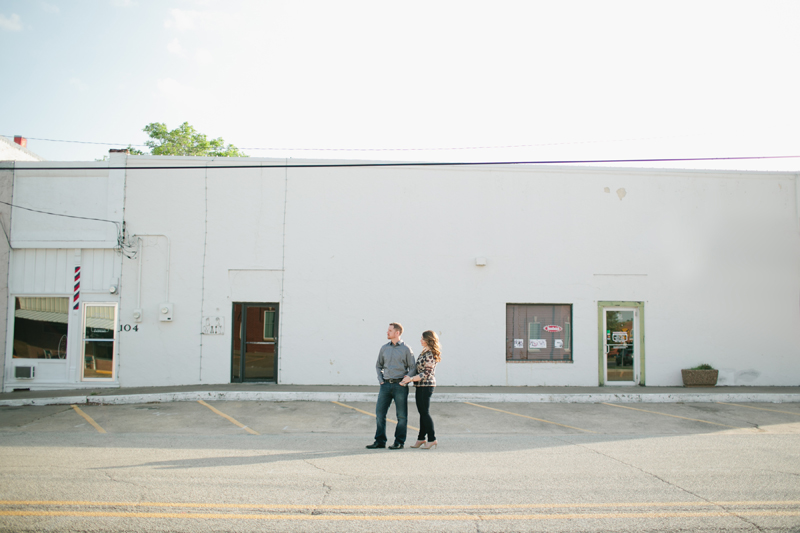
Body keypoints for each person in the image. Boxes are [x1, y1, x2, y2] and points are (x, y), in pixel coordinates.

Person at [366, 322, 416, 450]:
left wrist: (406, 380)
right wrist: (380, 379)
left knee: (401, 416)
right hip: (385, 385)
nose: (387, 332)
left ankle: (399, 442)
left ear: (397, 333)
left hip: (400, 386)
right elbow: (378, 365)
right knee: (380, 414)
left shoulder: (406, 349)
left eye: (390, 330)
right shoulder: (384, 348)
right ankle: (380, 441)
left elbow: (413, 367)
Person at [401, 330, 441, 449]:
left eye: (422, 339)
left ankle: (432, 438)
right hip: (421, 386)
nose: (420, 340)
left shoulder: (430, 354)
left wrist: (411, 379)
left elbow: (426, 373)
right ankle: (421, 438)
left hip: (426, 386)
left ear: (428, 340)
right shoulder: (425, 352)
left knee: (424, 413)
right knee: (423, 413)